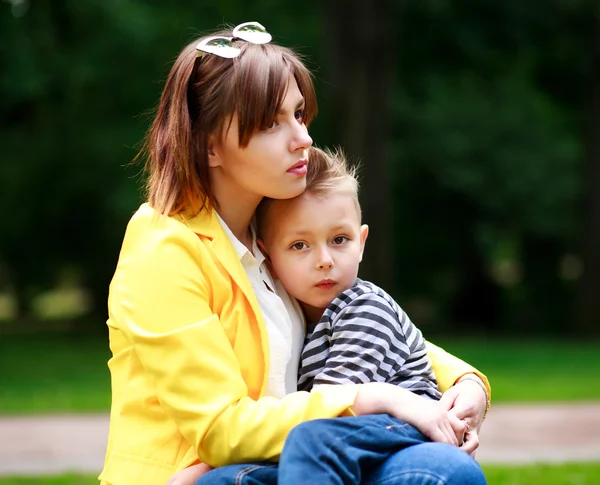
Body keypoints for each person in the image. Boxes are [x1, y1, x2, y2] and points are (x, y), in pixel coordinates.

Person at [99, 21, 490, 485]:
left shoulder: (277, 226)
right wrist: (377, 398)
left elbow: (365, 321)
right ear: (208, 147)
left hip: (305, 454)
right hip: (210, 472)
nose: (302, 137)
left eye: (299, 114)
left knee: (444, 472)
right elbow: (220, 428)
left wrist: (466, 384)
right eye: (270, 123)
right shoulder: (163, 248)